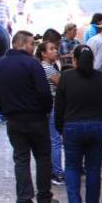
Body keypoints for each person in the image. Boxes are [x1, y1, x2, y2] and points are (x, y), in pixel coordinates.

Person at [0, 31, 61, 203]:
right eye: (31, 44)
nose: (33, 48)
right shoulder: (32, 64)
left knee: (21, 159)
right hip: (36, 118)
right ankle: (44, 199)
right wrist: (45, 110)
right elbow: (44, 93)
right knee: (43, 157)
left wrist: (5, 111)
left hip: (14, 120)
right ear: (21, 44)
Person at [56, 46, 102, 203]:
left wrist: (60, 128)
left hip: (72, 126)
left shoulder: (66, 78)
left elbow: (59, 106)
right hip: (97, 126)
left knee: (72, 167)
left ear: (74, 60)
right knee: (93, 169)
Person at [36, 40, 64, 186]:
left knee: (52, 140)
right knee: (55, 140)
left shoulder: (47, 66)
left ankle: (54, 170)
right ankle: (57, 172)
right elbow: (62, 84)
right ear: (43, 53)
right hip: (52, 106)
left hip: (48, 106)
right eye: (51, 49)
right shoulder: (47, 68)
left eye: (55, 48)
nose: (55, 51)